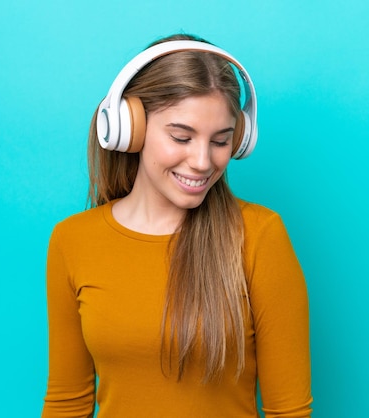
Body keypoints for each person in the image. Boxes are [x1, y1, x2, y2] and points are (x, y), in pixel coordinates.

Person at [41, 33, 312, 418]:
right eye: (181, 137)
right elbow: (66, 403)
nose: (202, 161)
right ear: (129, 128)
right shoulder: (73, 240)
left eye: (220, 141)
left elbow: (290, 411)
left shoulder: (260, 235)